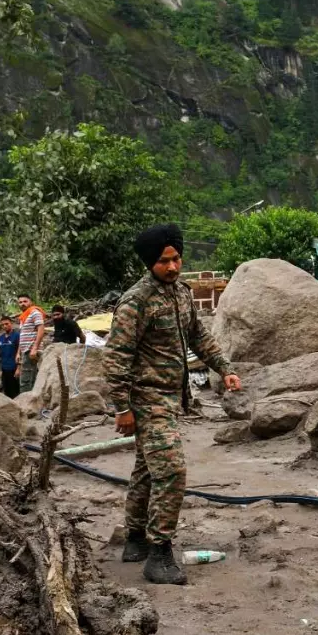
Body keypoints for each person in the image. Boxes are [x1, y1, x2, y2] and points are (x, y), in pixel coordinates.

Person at [104, 223, 243, 585]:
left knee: (148, 469)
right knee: (172, 471)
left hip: (171, 396)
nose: (173, 267)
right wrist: (122, 408)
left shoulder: (181, 292)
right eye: (165, 261)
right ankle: (159, 553)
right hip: (147, 399)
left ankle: (135, 539)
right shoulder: (136, 302)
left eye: (177, 258)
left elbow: (198, 334)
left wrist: (223, 368)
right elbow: (116, 358)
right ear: (151, 261)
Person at [15, 294, 46, 395]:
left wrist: (35, 348)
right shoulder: (23, 317)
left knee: (26, 380)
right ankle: (31, 401)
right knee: (30, 378)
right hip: (25, 351)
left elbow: (41, 330)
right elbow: (22, 335)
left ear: (30, 302)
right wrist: (18, 353)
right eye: (20, 302)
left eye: (25, 301)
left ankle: (26, 404)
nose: (22, 304)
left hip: (31, 350)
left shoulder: (34, 312)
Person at [0, 316, 21, 399]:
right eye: (3, 325)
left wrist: (18, 368)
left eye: (6, 324)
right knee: (7, 391)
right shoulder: (1, 338)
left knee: (16, 392)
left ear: (11, 324)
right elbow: (0, 354)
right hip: (4, 369)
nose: (5, 326)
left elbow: (20, 352)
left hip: (14, 369)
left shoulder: (17, 336)